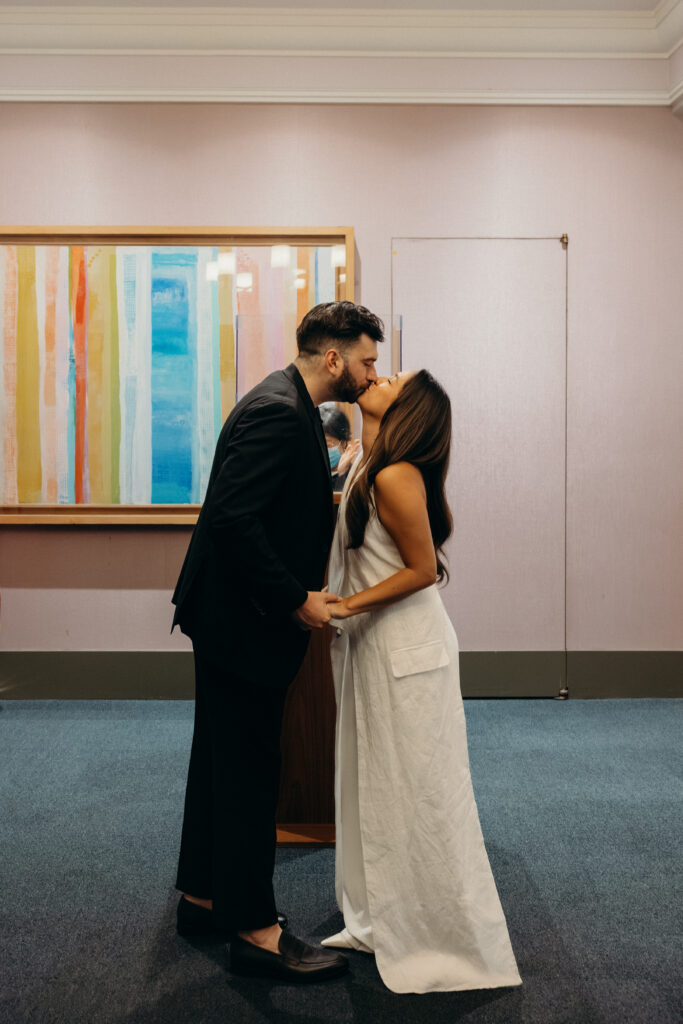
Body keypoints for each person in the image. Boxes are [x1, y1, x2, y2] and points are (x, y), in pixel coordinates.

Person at [171, 300, 384, 983]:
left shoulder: (282, 401)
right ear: (332, 358)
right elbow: (234, 521)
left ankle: (204, 899)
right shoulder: (277, 411)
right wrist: (296, 599)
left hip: (229, 616)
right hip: (244, 622)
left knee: (219, 762)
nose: (370, 372)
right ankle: (256, 932)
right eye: (365, 360)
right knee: (248, 772)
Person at [321, 370, 523, 994]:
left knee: (418, 789)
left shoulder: (394, 473)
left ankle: (438, 932)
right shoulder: (365, 459)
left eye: (395, 379)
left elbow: (422, 569)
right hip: (377, 645)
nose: (381, 373)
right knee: (373, 781)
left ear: (411, 411)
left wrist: (344, 607)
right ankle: (382, 914)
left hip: (405, 645)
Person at [318, 402, 361, 491]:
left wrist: (342, 474)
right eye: (318, 445)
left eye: (328, 445)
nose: (322, 451)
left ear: (343, 443)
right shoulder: (311, 472)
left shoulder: (356, 475)